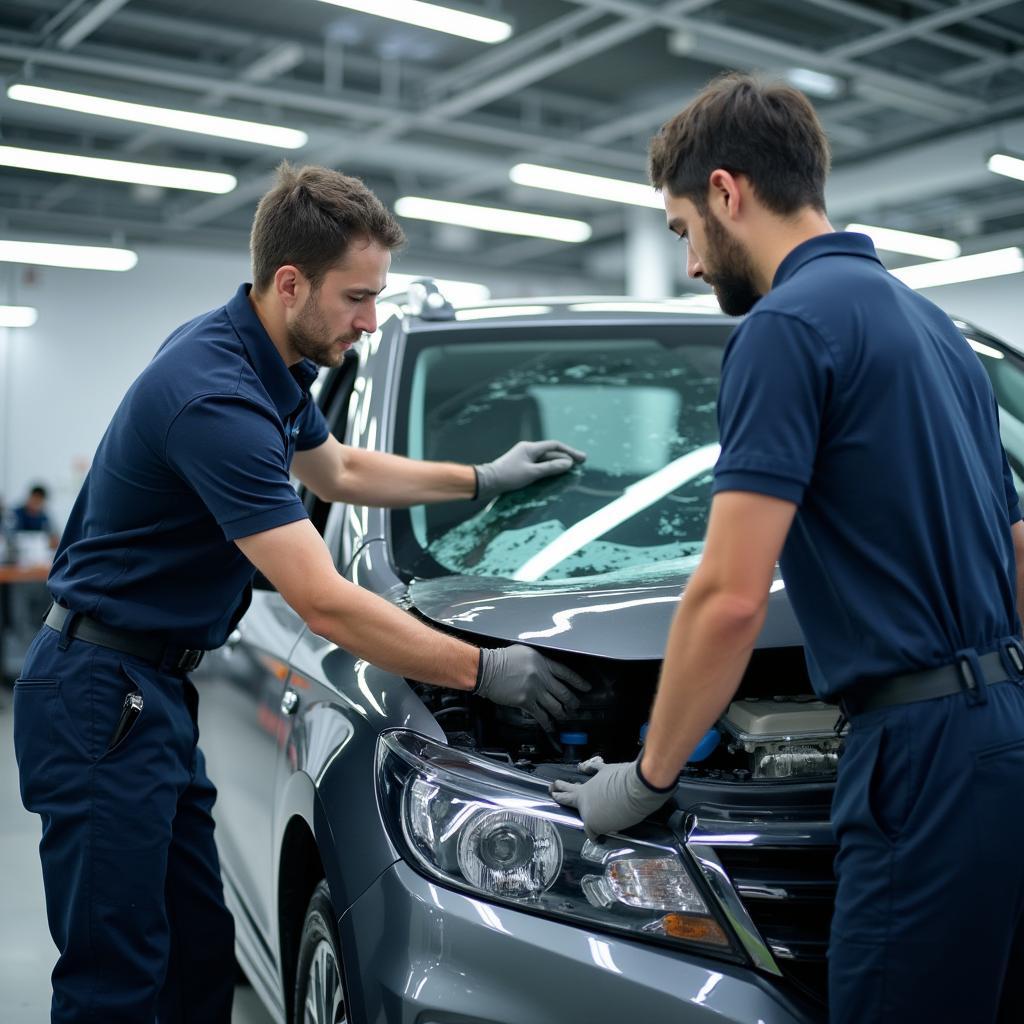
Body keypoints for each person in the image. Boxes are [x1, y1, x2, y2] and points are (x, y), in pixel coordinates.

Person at [13, 162, 590, 1024]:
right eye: (357, 298)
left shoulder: (272, 362)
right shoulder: (215, 396)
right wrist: (482, 671)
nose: (368, 318)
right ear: (291, 284)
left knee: (195, 955)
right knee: (118, 978)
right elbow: (321, 601)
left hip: (148, 691)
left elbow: (342, 468)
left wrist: (480, 477)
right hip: (100, 695)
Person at [550, 74, 1024, 1023]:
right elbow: (1016, 544)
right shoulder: (933, 328)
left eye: (683, 226)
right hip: (1000, 734)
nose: (688, 260)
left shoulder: (784, 329)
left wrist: (645, 777)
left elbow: (728, 595)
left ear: (728, 192)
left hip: (915, 753)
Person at [13, 483, 60, 549]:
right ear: (30, 498)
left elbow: (53, 536)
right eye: (35, 498)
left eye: (39, 500)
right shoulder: (16, 514)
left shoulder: (44, 518)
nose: (36, 502)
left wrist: (53, 540)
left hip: (38, 554)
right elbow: (9, 535)